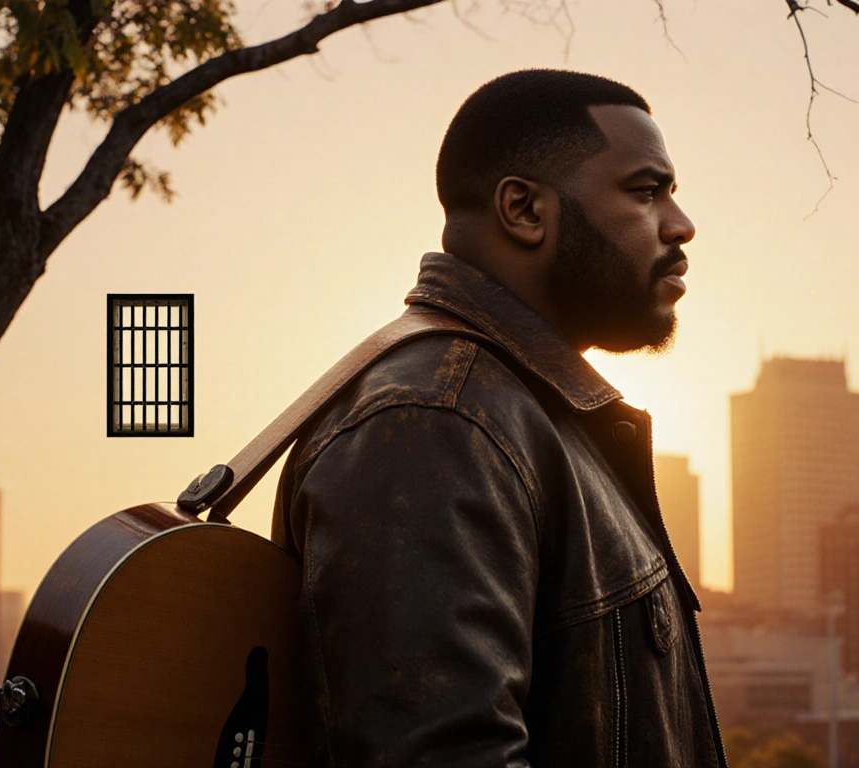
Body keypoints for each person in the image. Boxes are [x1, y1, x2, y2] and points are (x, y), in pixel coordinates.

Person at [273, 69, 726, 767]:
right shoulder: (438, 423)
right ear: (523, 210)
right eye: (646, 191)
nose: (680, 223)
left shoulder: (523, 418)